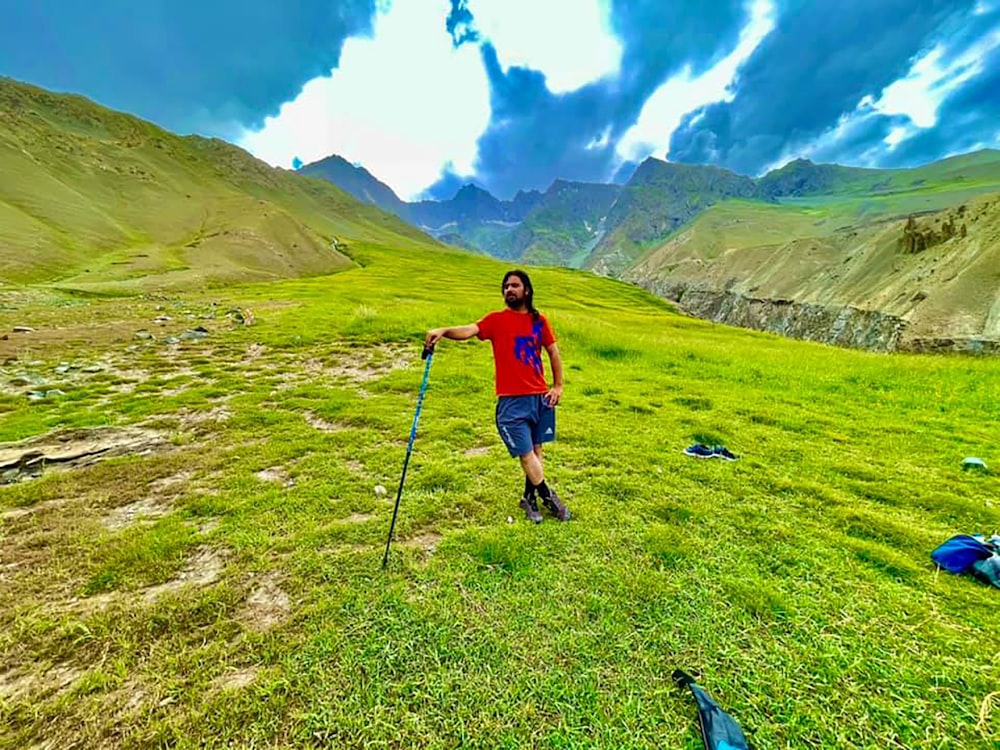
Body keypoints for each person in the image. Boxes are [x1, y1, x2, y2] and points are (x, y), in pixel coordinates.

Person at [425, 270, 570, 523]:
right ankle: (548, 496)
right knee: (526, 454)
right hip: (511, 401)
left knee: (537, 451)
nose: (509, 290)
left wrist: (557, 386)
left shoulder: (540, 321)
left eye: (515, 285)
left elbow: (553, 353)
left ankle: (529, 499)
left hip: (540, 396)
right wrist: (445, 330)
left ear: (526, 290)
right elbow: (469, 330)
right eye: (505, 287)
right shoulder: (496, 320)